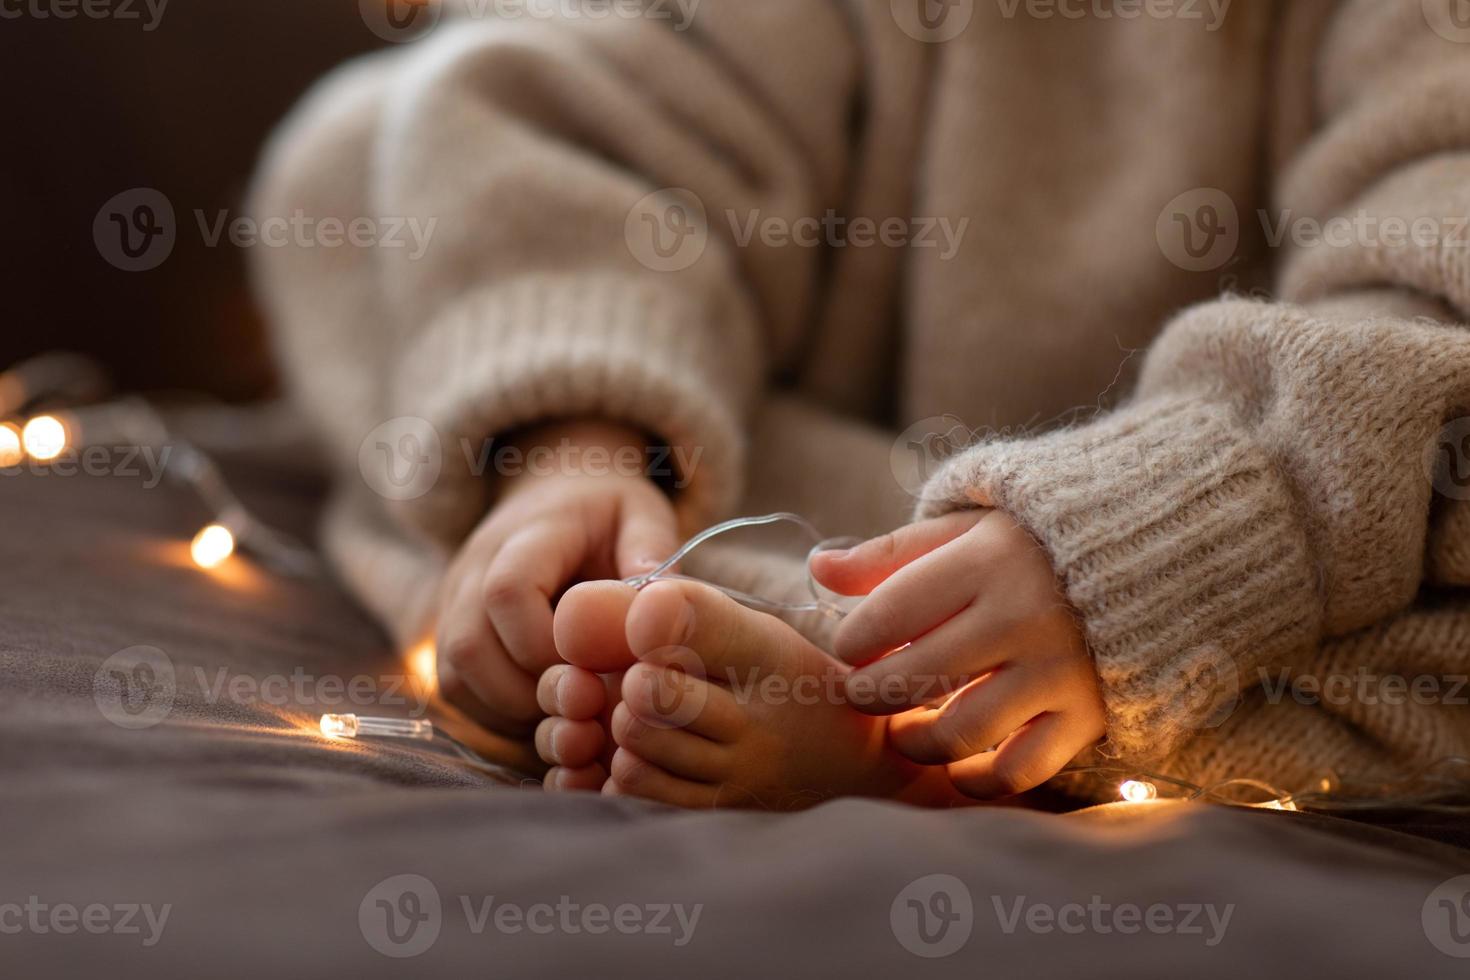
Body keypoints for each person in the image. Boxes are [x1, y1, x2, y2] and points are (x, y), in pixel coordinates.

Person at [249, 0, 1470, 807]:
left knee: (1431, 511)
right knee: (370, 153)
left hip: (1250, 548)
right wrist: (579, 439)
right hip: (771, 449)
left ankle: (885, 715)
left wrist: (1156, 540)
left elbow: (1427, 296)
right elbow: (608, 101)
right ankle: (625, 545)